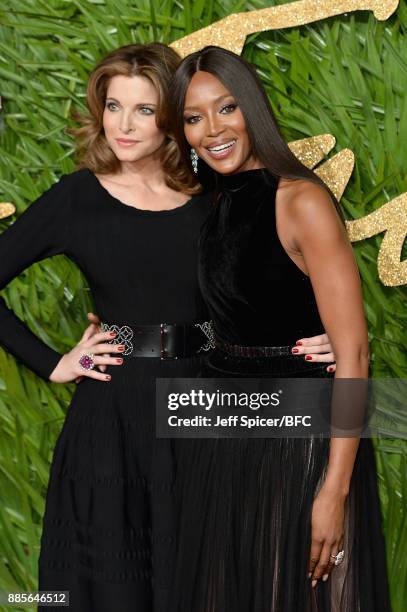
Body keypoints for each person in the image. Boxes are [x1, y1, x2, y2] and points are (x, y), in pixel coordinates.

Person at [0, 43, 335, 611]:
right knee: (110, 590)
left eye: (145, 110)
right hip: (113, 419)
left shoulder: (216, 196)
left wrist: (309, 335)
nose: (123, 125)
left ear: (173, 119)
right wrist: (54, 361)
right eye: (113, 106)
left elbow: (265, 278)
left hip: (207, 408)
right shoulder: (77, 198)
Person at [168, 46, 391, 611]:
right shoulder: (213, 207)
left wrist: (335, 490)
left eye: (227, 108)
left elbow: (355, 353)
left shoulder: (300, 200)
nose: (212, 130)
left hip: (301, 443)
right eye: (194, 118)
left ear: (254, 110)